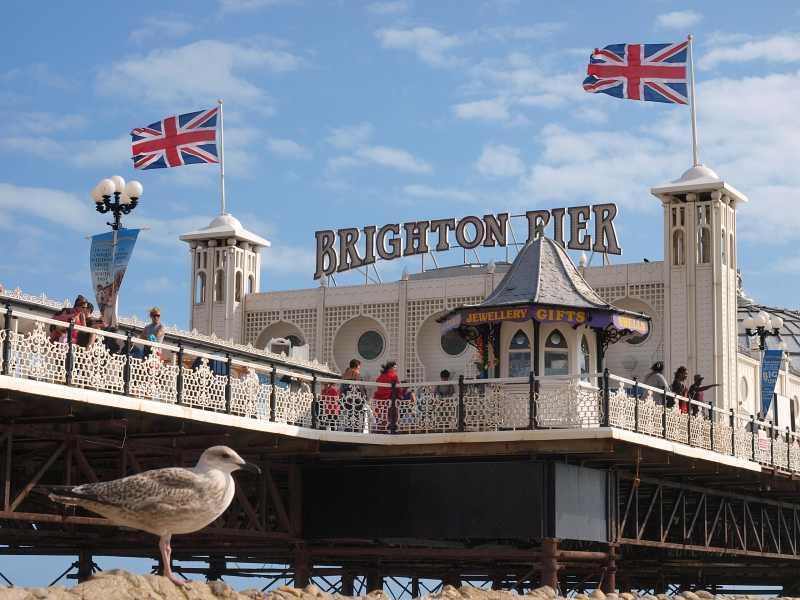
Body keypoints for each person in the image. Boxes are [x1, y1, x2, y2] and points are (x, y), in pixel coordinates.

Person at [373, 360, 400, 432]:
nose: (395, 369)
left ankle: (379, 429)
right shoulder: (393, 375)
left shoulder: (381, 376)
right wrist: (400, 396)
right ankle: (390, 429)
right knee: (392, 415)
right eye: (394, 367)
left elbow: (377, 382)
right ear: (390, 368)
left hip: (380, 398)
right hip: (390, 398)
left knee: (381, 415)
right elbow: (398, 387)